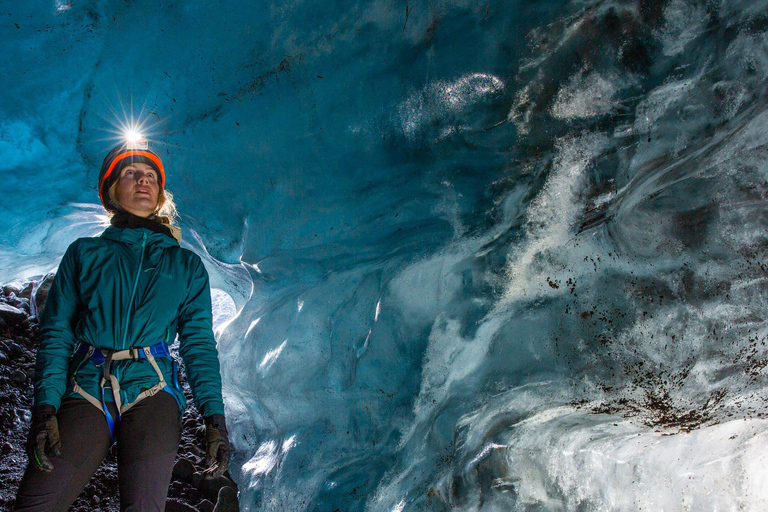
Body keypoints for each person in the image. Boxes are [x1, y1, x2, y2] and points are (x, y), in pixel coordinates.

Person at [13, 140, 231, 511]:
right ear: (111, 191)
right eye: (131, 173)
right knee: (35, 505)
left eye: (150, 176)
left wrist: (215, 419)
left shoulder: (186, 266)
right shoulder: (84, 253)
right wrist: (45, 408)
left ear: (161, 194)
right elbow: (57, 333)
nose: (142, 181)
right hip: (86, 387)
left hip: (154, 389)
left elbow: (198, 345)